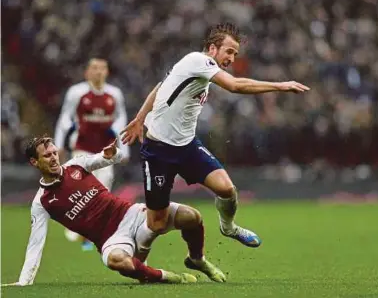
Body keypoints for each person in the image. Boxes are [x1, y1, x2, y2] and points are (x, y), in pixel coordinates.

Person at [121, 22, 310, 247]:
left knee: (227, 190)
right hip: (159, 149)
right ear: (212, 49)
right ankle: (132, 245)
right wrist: (280, 86)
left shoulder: (195, 67)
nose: (232, 58)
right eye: (229, 51)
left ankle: (228, 227)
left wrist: (141, 117)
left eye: (235, 54)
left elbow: (160, 87)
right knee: (157, 224)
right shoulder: (200, 61)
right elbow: (235, 86)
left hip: (187, 146)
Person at [1, 136, 225, 287]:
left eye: (54, 152)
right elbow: (35, 244)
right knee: (117, 262)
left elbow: (110, 158)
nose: (53, 158)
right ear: (34, 162)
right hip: (111, 239)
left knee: (192, 217)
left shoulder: (76, 165)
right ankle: (167, 277)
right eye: (47, 155)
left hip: (132, 214)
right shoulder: (42, 202)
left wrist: (113, 154)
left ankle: (197, 259)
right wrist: (24, 283)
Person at [54, 58, 130, 250]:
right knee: (81, 191)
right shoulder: (77, 93)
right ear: (87, 72)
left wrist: (124, 148)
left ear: (107, 72)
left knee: (103, 191)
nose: (98, 72)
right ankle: (79, 227)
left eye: (102, 68)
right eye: (94, 68)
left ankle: (91, 234)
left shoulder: (115, 94)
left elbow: (121, 119)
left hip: (106, 153)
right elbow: (65, 117)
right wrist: (59, 145)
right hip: (82, 150)